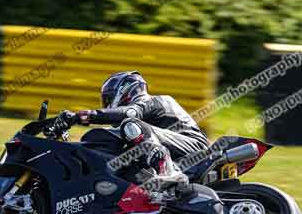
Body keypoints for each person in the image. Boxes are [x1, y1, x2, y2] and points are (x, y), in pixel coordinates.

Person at [53, 71, 210, 193]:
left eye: (108, 99)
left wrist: (81, 116)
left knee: (132, 124)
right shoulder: (140, 125)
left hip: (195, 147)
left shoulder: (152, 101)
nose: (108, 105)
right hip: (182, 152)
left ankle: (167, 172)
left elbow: (129, 114)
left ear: (124, 90)